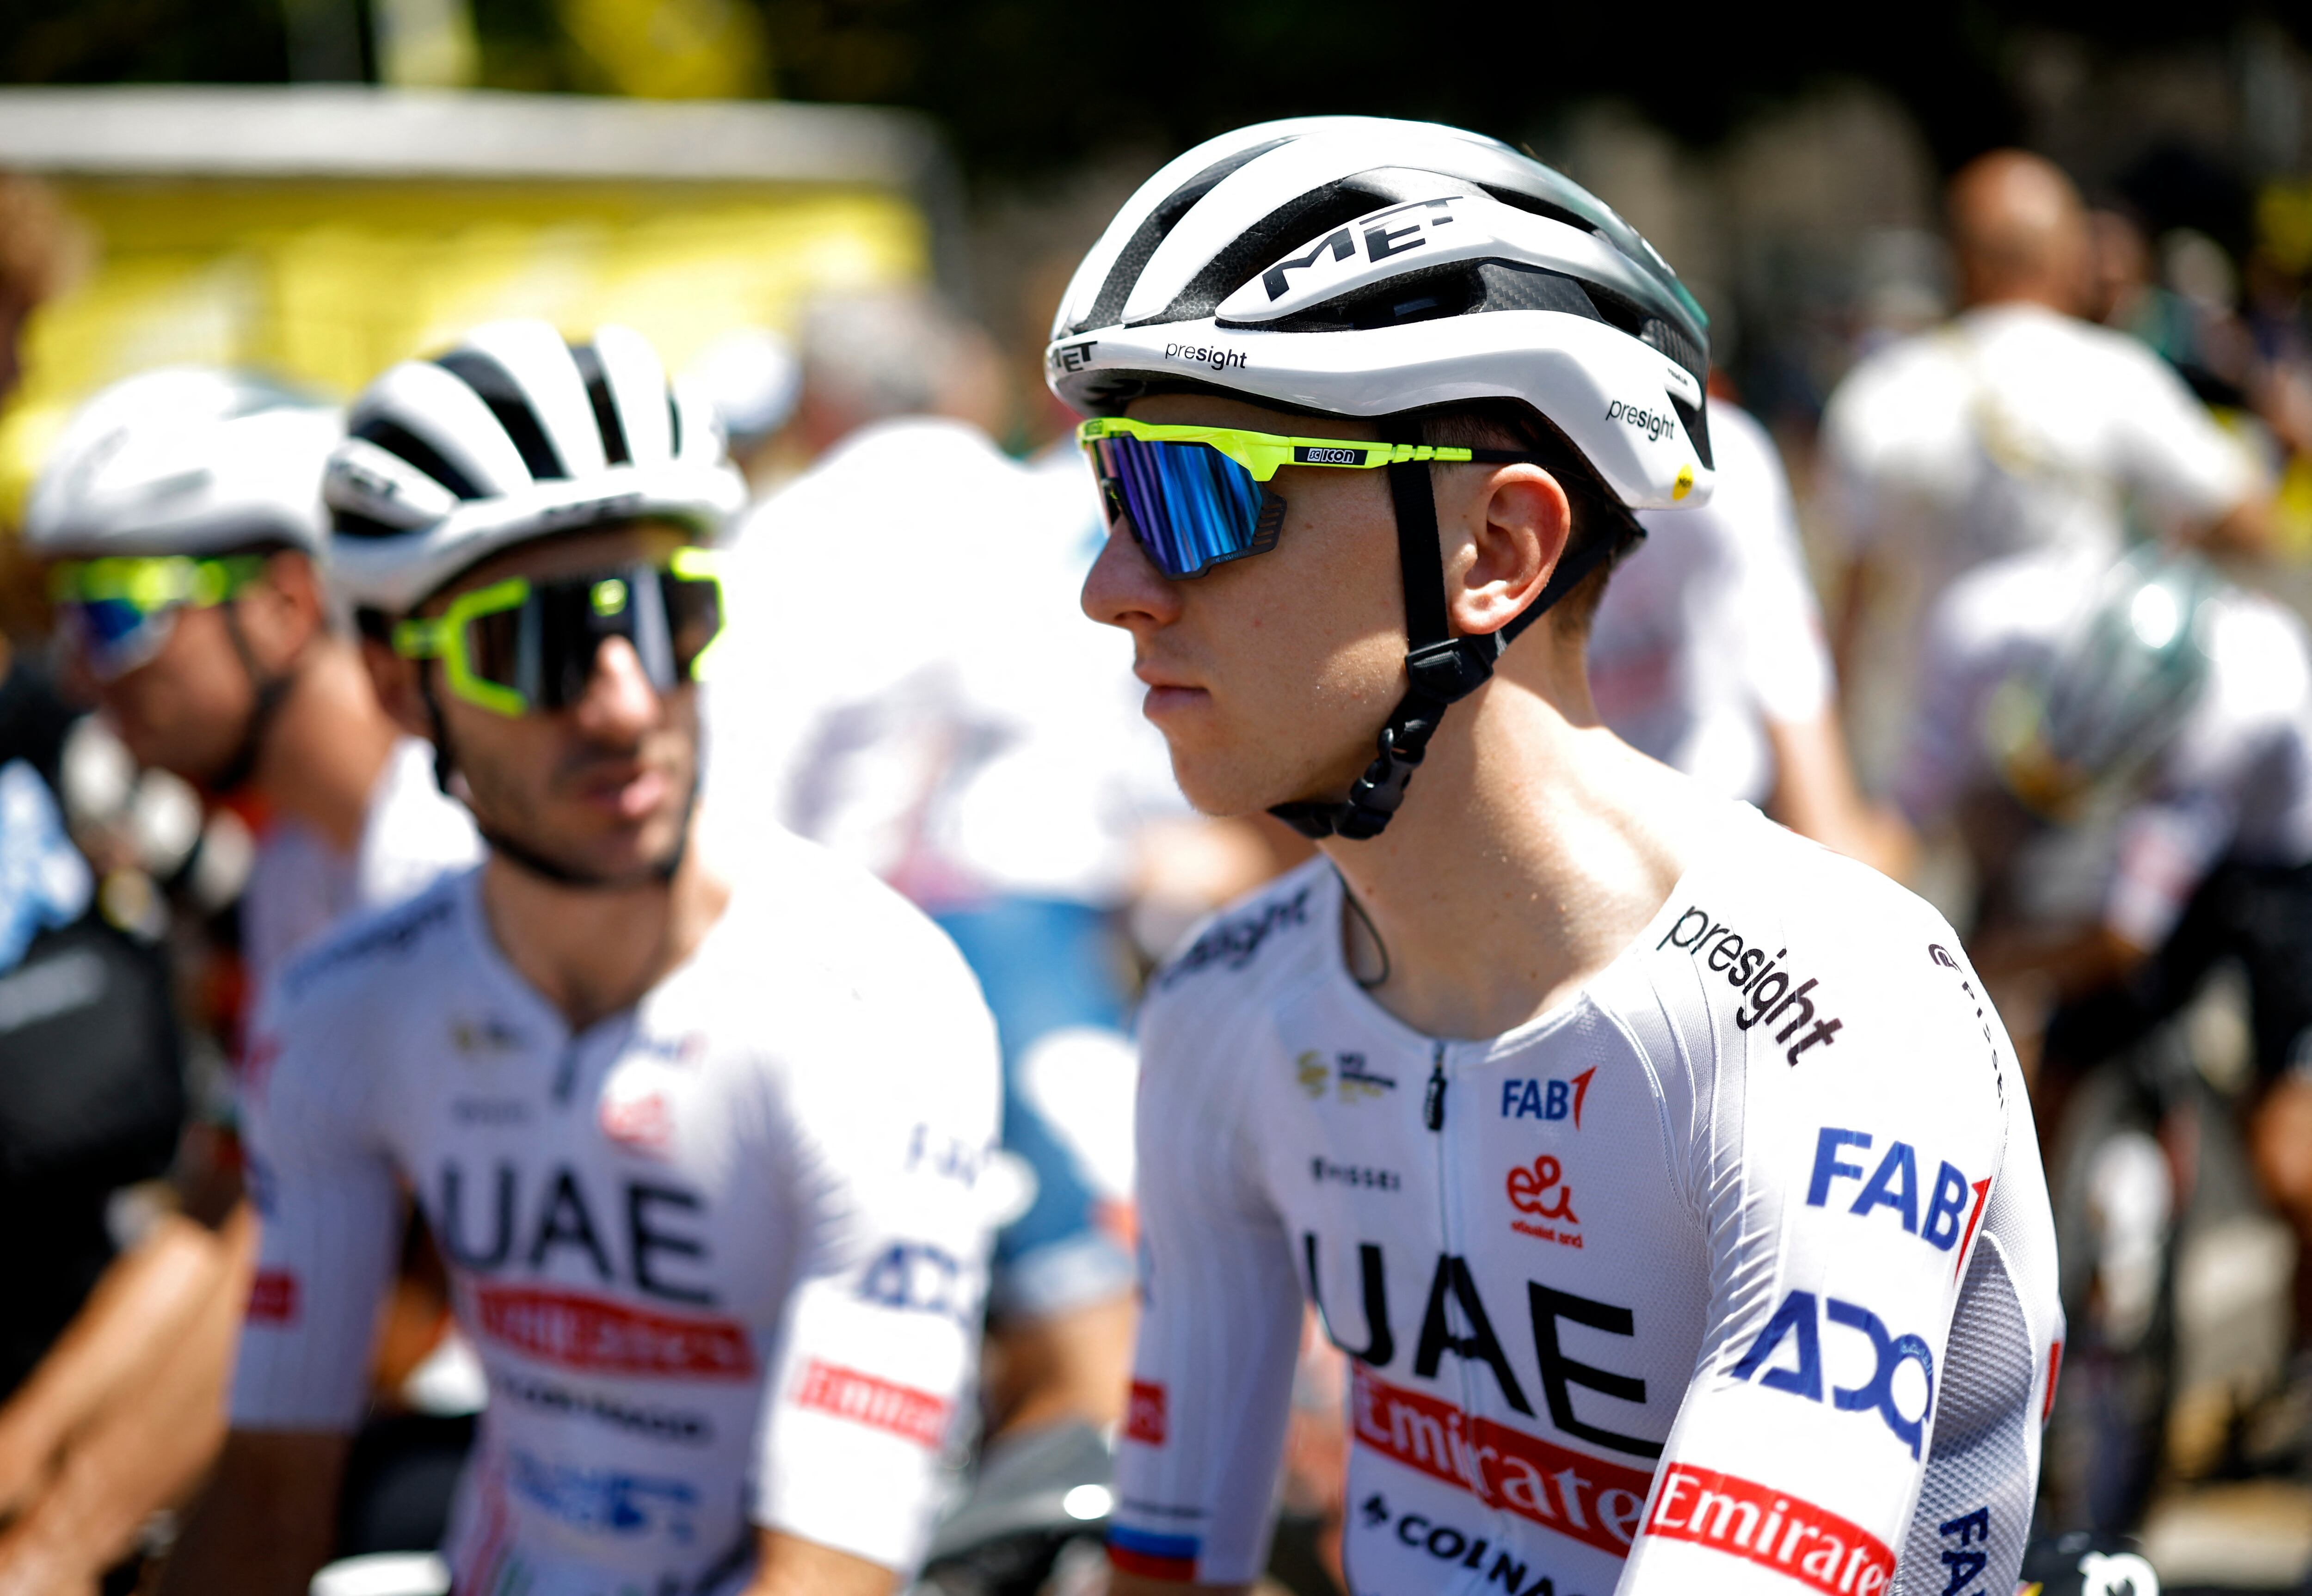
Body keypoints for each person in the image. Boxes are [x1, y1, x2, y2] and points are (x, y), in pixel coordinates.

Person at [1047, 116, 2061, 1596]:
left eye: (1192, 491)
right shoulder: (1220, 1005)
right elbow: (1166, 1570)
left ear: (1496, 551)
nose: (1109, 587)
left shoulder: (1830, 1021)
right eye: (1108, 485)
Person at [157, 319, 1001, 1596]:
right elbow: (270, 1490)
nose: (622, 701)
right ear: (399, 688)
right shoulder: (346, 1008)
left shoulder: (876, 1003)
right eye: (535, 642)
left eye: (666, 617)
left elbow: (826, 1571)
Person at [0, 368, 482, 1591]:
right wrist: (22, 1466)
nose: (78, 668)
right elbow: (227, 1206)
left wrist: (57, 1547)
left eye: (116, 611)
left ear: (280, 602)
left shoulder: (435, 851)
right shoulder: (291, 868)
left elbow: (339, 1269)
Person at [1892, 545, 2312, 1513]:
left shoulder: (2238, 714)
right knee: (2044, 1062)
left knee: (2287, 1159)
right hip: (2114, 784)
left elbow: (2123, 937)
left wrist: (1988, 969)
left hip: (2281, 858)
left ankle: (2294, 1367)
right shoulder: (2001, 611)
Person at [1820, 150, 2267, 785]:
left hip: (1921, 768)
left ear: (1960, 260)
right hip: (2077, 753)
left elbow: (1851, 608)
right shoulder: (2116, 375)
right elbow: (2249, 517)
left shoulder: (1879, 393)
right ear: (2066, 256)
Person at [1589, 398, 1909, 877]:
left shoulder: (1709, 452)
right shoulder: (1711, 444)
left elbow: (1779, 655)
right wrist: (1830, 834)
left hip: (1686, 831)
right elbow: (1783, 663)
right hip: (1698, 837)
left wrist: (1826, 828)